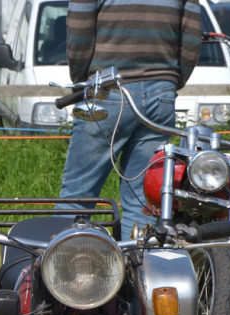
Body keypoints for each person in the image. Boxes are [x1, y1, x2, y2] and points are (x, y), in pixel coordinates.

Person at [58, 0, 202, 239]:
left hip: (105, 88)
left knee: (77, 196)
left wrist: (83, 80)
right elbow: (191, 40)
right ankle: (139, 270)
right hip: (161, 94)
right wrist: (170, 82)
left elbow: (79, 31)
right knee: (143, 198)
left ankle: (63, 269)